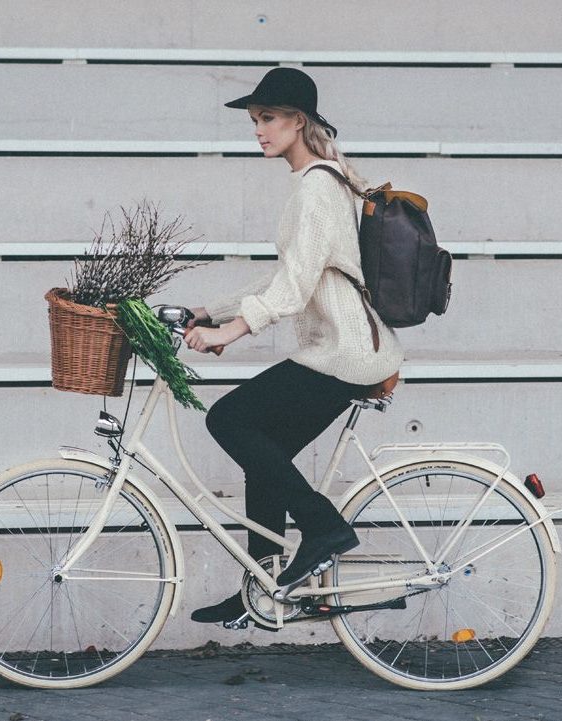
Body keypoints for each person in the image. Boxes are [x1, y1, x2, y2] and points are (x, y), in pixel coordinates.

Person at [183, 67, 404, 626]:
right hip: (337, 350)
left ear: (298, 122)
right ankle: (261, 585)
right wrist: (210, 311)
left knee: (229, 419)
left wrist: (233, 330)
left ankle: (323, 527)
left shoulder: (317, 187)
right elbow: (287, 274)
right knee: (265, 456)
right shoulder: (317, 182)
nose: (258, 130)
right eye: (255, 120)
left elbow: (296, 284)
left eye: (268, 118)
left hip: (345, 355)